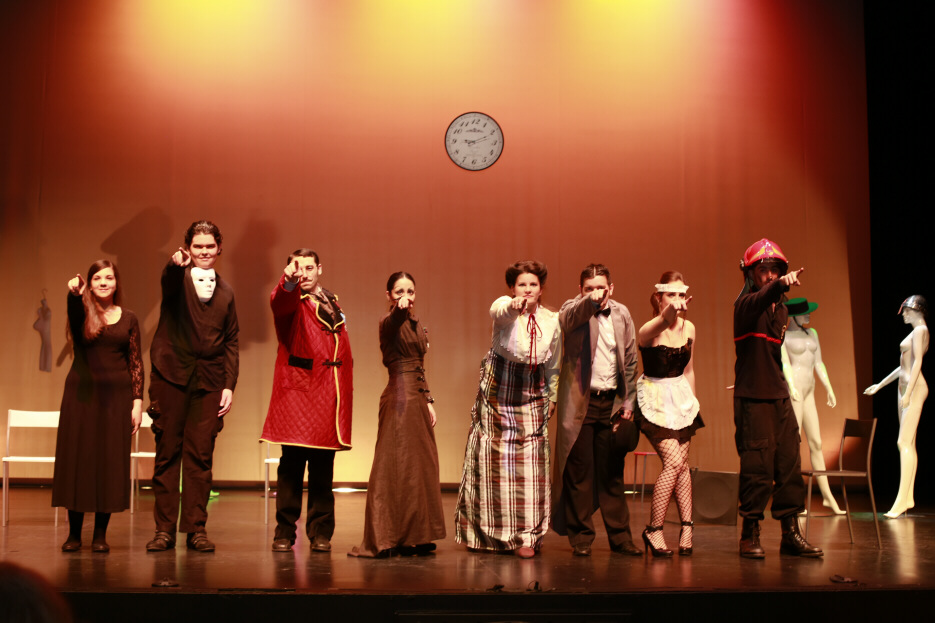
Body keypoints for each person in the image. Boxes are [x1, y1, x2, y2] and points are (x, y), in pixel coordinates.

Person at [454, 260, 561, 559]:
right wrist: (514, 306)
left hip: (532, 395)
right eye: (521, 284)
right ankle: (484, 535)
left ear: (541, 289)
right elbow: (499, 312)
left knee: (531, 469)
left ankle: (527, 537)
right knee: (490, 465)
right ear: (512, 288)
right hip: (498, 397)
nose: (527, 289)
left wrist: (552, 396)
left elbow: (553, 364)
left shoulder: (552, 320)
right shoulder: (503, 307)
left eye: (533, 284)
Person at [146, 220, 238, 553]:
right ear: (188, 248)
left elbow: (231, 340)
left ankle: (196, 528)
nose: (204, 251)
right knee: (167, 452)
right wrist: (174, 265)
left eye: (209, 246)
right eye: (198, 246)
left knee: (200, 456)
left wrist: (229, 383)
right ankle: (164, 530)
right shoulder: (178, 279)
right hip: (171, 375)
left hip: (209, 380)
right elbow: (168, 281)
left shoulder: (226, 291)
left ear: (219, 249)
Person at [733, 238, 821, 558]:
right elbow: (761, 299)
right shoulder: (745, 305)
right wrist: (780, 285)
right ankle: (749, 534)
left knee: (789, 464)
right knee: (757, 467)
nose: (769, 275)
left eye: (775, 270)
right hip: (754, 397)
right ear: (750, 274)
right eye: (762, 270)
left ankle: (790, 533)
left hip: (778, 394)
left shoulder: (781, 310)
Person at [261, 249, 353, 552]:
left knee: (323, 468)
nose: (305, 273)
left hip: (327, 394)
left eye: (309, 267)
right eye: (298, 268)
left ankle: (321, 532)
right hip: (299, 396)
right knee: (291, 467)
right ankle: (284, 532)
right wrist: (287, 282)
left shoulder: (331, 300)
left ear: (319, 269)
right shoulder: (292, 301)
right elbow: (279, 301)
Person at [349, 272, 445, 557]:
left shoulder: (417, 324)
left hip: (417, 399)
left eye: (410, 291)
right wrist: (399, 311)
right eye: (399, 291)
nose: (406, 297)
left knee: (419, 466)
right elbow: (393, 322)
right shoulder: (388, 322)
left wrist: (428, 399)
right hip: (399, 400)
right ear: (389, 295)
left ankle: (417, 534)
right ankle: (387, 536)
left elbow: (419, 367)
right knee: (395, 465)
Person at [52, 260, 143, 553]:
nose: (104, 282)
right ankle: (74, 534)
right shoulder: (83, 314)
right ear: (90, 285)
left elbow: (135, 362)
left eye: (109, 278)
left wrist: (137, 402)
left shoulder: (129, 318)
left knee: (109, 461)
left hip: (116, 399)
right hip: (82, 396)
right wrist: (74, 295)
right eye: (98, 278)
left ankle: (100, 535)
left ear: (116, 283)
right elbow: (74, 311)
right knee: (78, 459)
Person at [552, 263, 641, 557]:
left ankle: (621, 538)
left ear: (611, 288)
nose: (596, 293)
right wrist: (588, 303)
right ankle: (581, 537)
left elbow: (630, 361)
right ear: (580, 290)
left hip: (611, 403)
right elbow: (568, 320)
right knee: (580, 473)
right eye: (589, 288)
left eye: (601, 288)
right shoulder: (572, 309)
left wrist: (628, 402)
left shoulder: (622, 313)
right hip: (581, 402)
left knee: (612, 474)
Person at [635, 271, 703, 557]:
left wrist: (693, 404)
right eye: (670, 294)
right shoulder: (651, 328)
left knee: (682, 465)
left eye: (680, 294)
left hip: (681, 398)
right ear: (659, 297)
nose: (676, 299)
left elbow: (689, 369)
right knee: (673, 463)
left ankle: (687, 528)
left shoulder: (689, 328)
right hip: (655, 398)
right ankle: (654, 529)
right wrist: (670, 312)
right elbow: (661, 323)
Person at [864, 295, 929, 518]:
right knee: (908, 443)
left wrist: (908, 393)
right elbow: (902, 367)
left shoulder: (920, 331)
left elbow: (918, 362)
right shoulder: (915, 332)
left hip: (913, 388)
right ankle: (908, 497)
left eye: (907, 311)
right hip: (904, 388)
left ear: (917, 310)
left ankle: (901, 501)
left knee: (903, 442)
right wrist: (880, 385)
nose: (904, 315)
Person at [781, 297, 845, 515]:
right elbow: (785, 364)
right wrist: (791, 386)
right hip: (796, 390)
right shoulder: (785, 336)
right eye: (804, 313)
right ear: (793, 316)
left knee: (816, 442)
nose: (808, 315)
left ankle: (827, 496)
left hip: (809, 391)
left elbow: (819, 363)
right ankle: (795, 499)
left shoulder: (812, 333)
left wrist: (829, 388)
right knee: (794, 443)